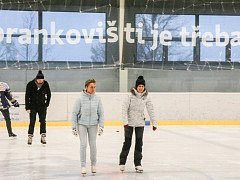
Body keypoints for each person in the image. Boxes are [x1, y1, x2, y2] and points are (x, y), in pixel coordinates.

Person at [119, 76, 157, 173]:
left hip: (140, 123)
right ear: (136, 87)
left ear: (144, 87)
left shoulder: (146, 97)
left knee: (139, 143)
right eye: (139, 86)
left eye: (142, 86)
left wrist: (154, 122)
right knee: (127, 142)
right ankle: (122, 162)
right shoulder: (130, 95)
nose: (140, 88)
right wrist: (125, 122)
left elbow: (150, 109)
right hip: (129, 123)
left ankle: (138, 164)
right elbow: (124, 108)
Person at [71, 78, 104, 176]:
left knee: (93, 145)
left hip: (93, 124)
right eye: (91, 87)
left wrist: (101, 126)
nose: (93, 89)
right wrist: (74, 127)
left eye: (94, 87)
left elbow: (101, 113)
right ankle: (83, 166)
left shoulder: (97, 98)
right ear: (86, 87)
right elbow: (74, 113)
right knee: (83, 145)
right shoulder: (80, 98)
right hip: (82, 124)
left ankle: (93, 165)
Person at [25, 70, 51, 145]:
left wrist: (47, 104)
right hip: (33, 106)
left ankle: (43, 136)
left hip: (42, 106)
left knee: (43, 121)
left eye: (42, 80)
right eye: (39, 80)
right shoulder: (30, 84)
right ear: (36, 79)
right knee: (32, 121)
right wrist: (27, 107)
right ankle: (30, 136)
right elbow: (27, 96)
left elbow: (49, 94)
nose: (40, 81)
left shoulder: (45, 84)